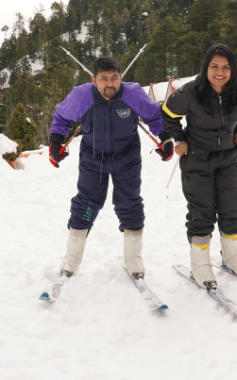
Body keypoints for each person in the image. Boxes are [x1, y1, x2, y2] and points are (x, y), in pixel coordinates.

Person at [48, 57, 174, 280]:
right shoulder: (82, 95)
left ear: (120, 78)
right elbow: (62, 118)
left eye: (114, 78)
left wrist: (164, 139)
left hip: (127, 155)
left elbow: (154, 115)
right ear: (93, 80)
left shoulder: (132, 94)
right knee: (86, 201)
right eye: (104, 79)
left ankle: (133, 257)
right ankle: (72, 256)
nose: (110, 84)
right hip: (93, 156)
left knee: (129, 201)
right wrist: (56, 142)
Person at [161, 44, 237, 290]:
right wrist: (180, 139)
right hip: (197, 157)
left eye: (226, 67)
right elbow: (168, 114)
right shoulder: (191, 92)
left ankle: (232, 255)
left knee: (232, 205)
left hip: (229, 157)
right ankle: (200, 262)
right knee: (201, 209)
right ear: (206, 67)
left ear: (233, 69)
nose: (220, 72)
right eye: (214, 66)